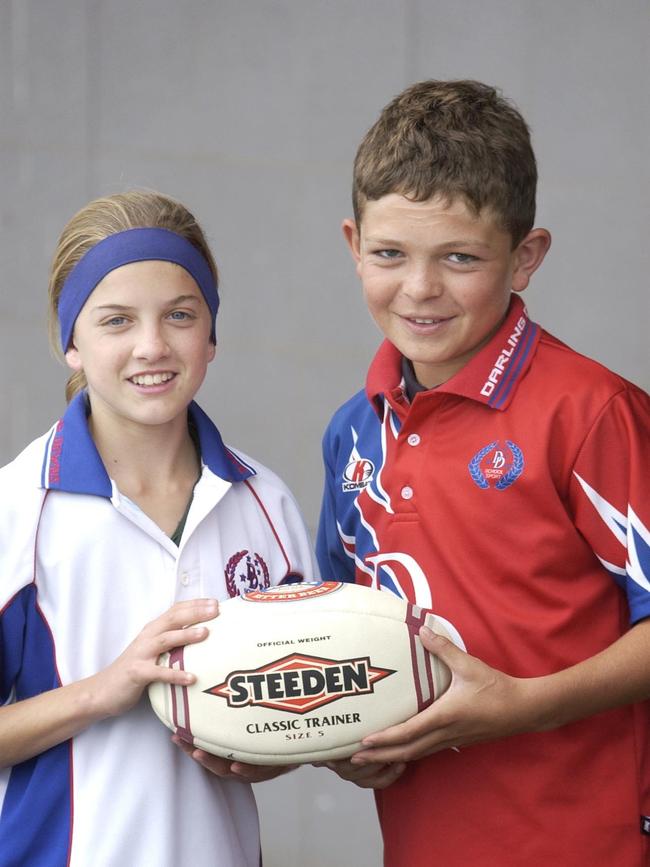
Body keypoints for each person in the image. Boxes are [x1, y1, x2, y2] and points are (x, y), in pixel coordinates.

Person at [316, 80, 650, 865]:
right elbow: (347, 637)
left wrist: (522, 706)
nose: (420, 288)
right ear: (352, 244)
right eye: (390, 253)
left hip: (586, 842)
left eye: (460, 257)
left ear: (525, 256)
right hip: (423, 841)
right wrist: (337, 736)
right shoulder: (353, 432)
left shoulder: (592, 413)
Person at [0, 190, 318, 867]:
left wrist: (265, 751)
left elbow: (298, 719)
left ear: (211, 335)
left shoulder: (266, 503)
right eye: (116, 320)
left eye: (179, 315)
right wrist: (103, 689)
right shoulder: (16, 511)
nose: (152, 345)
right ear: (71, 343)